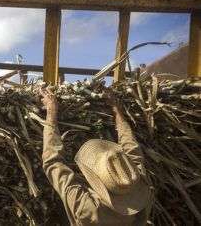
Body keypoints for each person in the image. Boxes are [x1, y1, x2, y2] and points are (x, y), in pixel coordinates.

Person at [40, 88, 153, 226]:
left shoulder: (88, 207)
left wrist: (51, 112)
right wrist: (116, 110)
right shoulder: (137, 187)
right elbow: (132, 150)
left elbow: (53, 162)